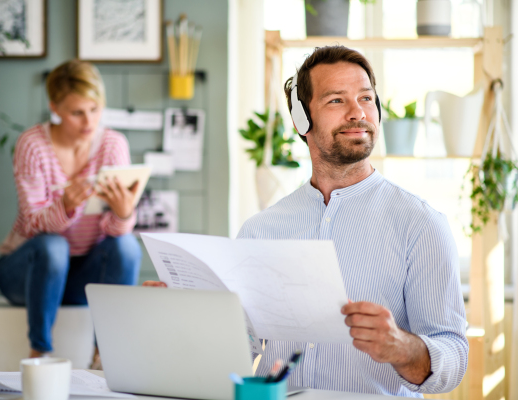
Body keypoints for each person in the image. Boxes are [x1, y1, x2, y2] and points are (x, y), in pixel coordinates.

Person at [145, 46, 467, 397]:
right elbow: (236, 351)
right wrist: (177, 318)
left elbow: (454, 355)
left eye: (366, 98)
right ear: (301, 119)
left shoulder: (421, 225)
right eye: (336, 101)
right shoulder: (260, 230)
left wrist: (402, 347)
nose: (358, 112)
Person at [0, 60, 142, 365]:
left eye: (95, 109)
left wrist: (124, 215)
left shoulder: (113, 145)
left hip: (81, 278)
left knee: (127, 247)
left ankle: (105, 355)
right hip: (25, 272)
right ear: (55, 108)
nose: (89, 122)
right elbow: (33, 223)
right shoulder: (32, 145)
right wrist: (65, 207)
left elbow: (114, 236)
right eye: (77, 112)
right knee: (53, 245)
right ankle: (40, 352)